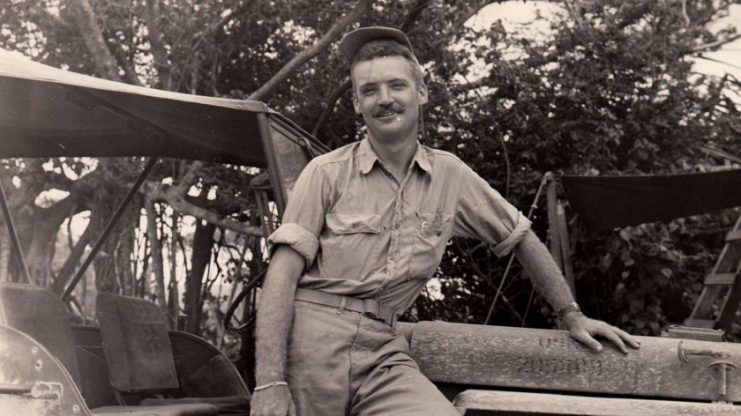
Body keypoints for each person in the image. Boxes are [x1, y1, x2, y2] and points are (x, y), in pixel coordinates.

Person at [250, 26, 640, 416]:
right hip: (310, 345)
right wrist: (270, 382)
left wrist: (570, 314)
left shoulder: (450, 175)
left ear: (421, 92)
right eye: (369, 90)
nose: (384, 100)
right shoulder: (325, 172)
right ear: (356, 102)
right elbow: (281, 277)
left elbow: (519, 235)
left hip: (383, 349)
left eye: (396, 86)